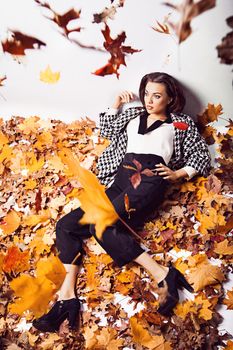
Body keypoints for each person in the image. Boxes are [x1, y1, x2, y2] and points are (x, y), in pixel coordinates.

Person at [32, 72, 211, 332]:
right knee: (66, 225)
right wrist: (115, 103)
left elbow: (200, 155)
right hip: (120, 180)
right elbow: (105, 129)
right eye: (147, 93)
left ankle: (162, 273)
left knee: (101, 226)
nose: (150, 100)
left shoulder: (179, 123)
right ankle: (67, 295)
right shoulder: (132, 116)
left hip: (149, 179)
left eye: (157, 95)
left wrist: (178, 173)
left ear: (170, 98)